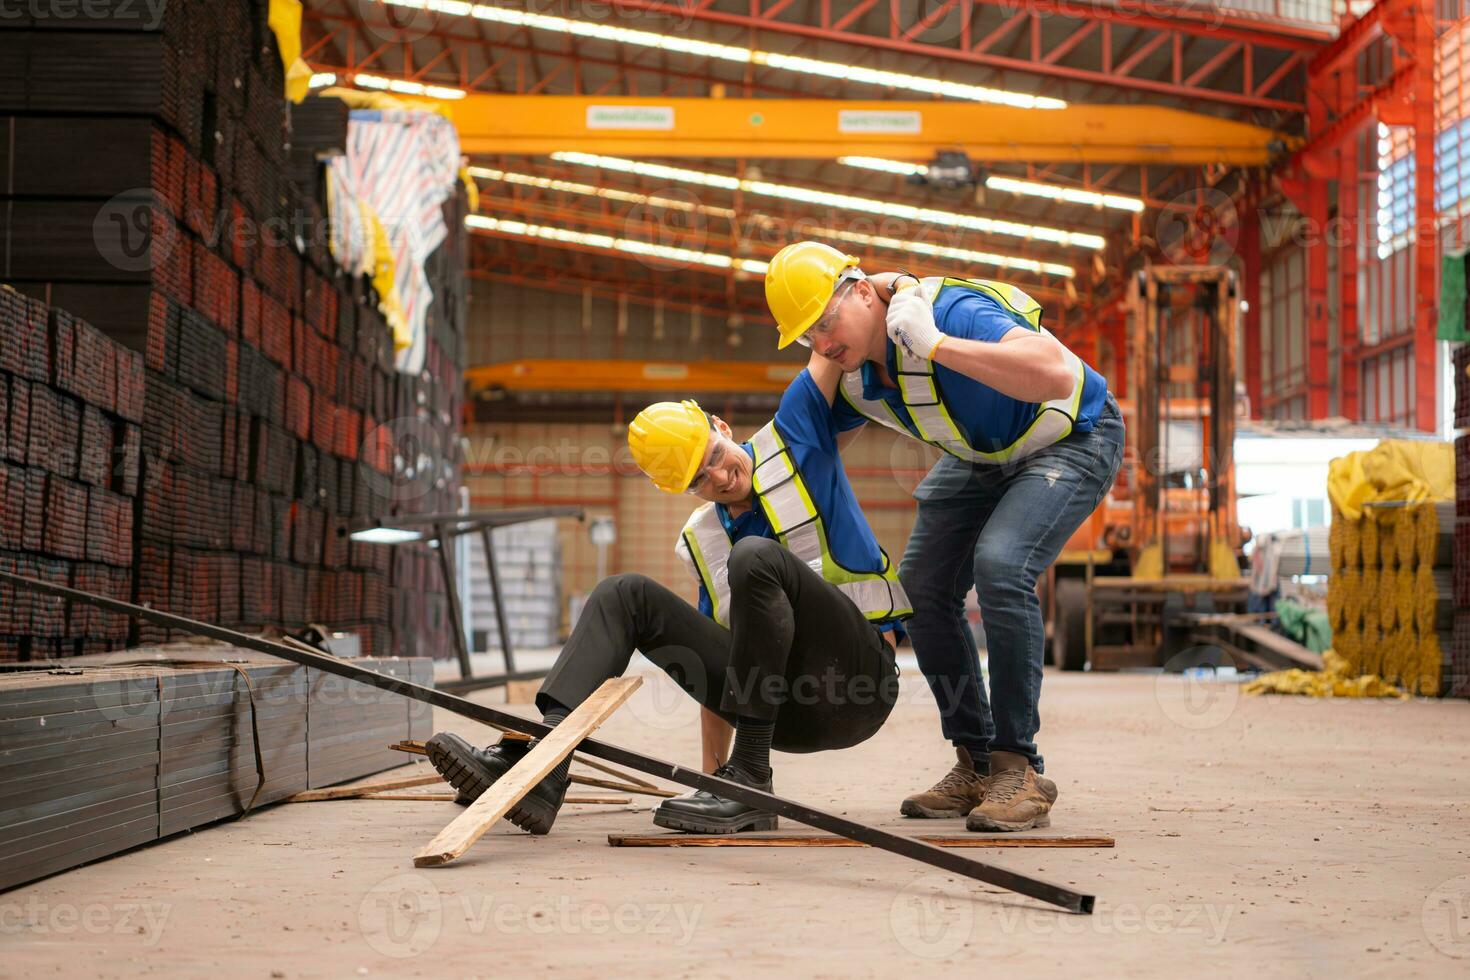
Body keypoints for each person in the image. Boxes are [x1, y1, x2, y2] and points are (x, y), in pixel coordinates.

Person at [424, 361, 911, 835]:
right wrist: (711, 777)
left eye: (716, 456)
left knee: (755, 556)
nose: (718, 479)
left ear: (721, 426)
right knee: (625, 592)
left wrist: (893, 288)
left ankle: (750, 781)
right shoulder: (704, 540)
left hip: (856, 686)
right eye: (699, 480)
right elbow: (723, 660)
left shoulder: (795, 438)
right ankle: (544, 764)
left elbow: (832, 334)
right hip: (786, 715)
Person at [764, 241, 1125, 832]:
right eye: (807, 335)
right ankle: (976, 761)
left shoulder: (948, 311)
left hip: (1070, 438)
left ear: (861, 292)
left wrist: (935, 345)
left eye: (826, 322)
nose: (824, 342)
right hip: (985, 456)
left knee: (1002, 565)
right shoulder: (851, 371)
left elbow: (1056, 372)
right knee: (923, 590)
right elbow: (794, 446)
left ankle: (1018, 768)